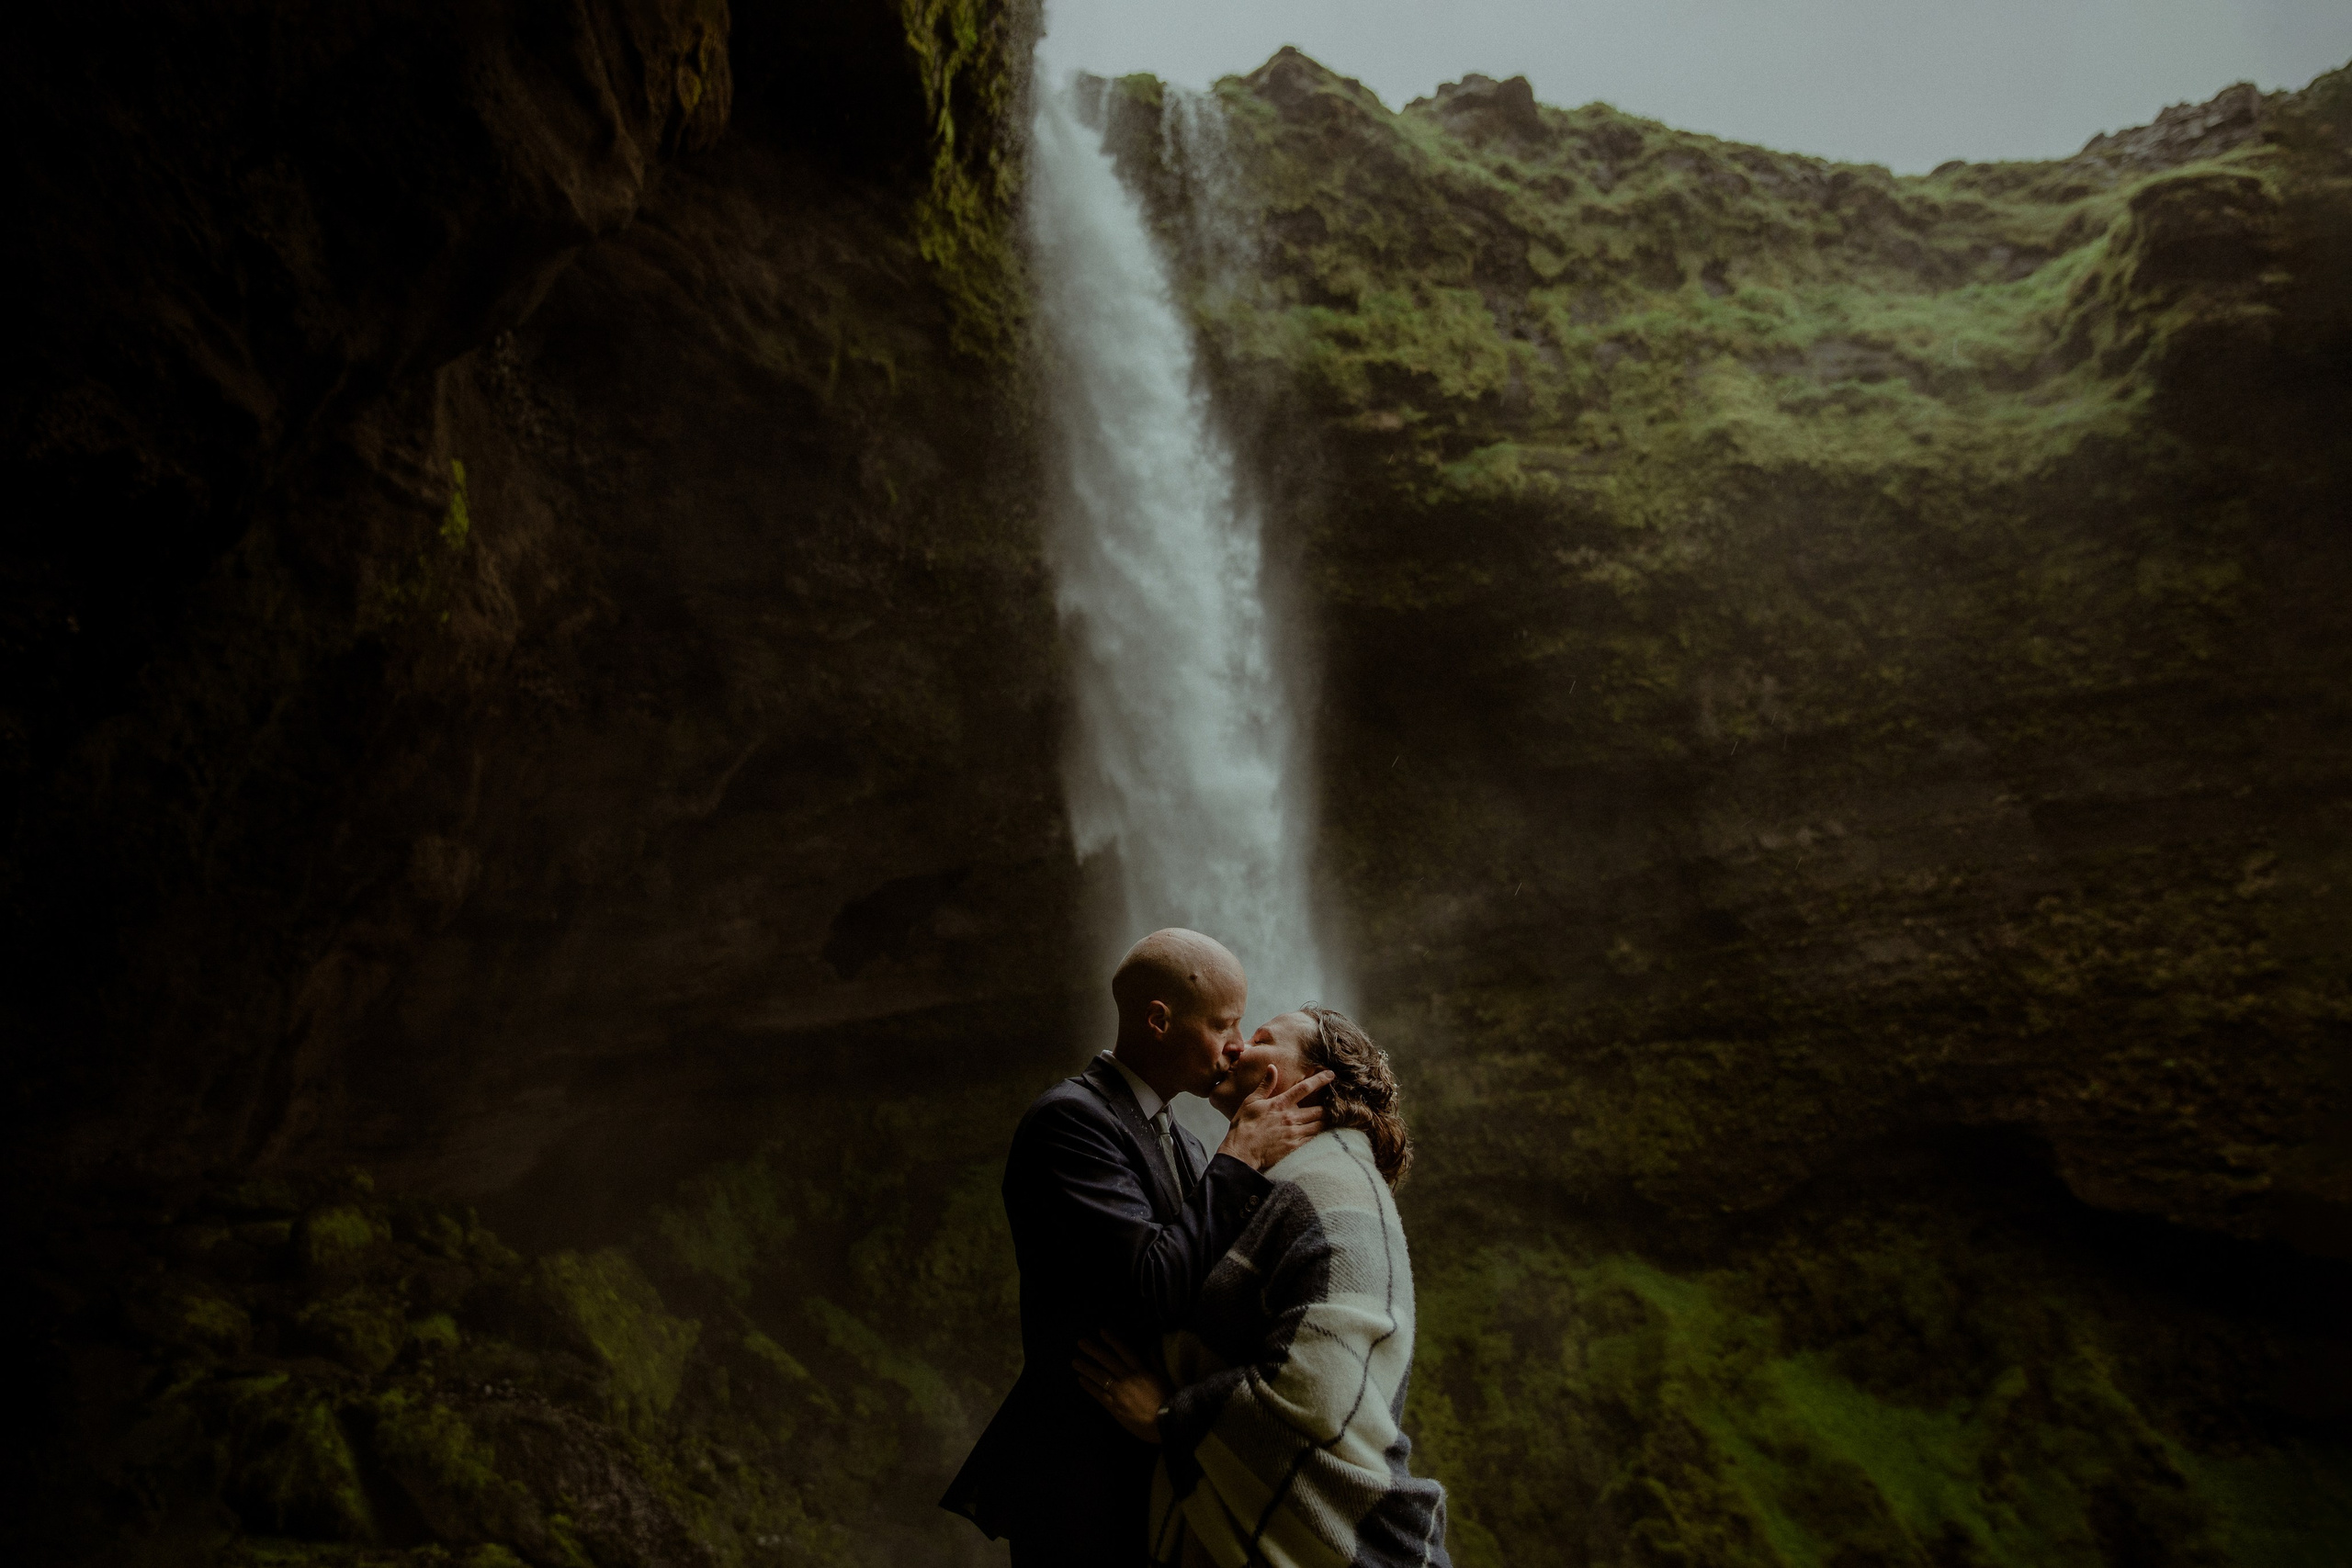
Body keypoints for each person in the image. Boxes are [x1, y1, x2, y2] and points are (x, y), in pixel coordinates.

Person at [942, 930, 1335, 1566]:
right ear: (1159, 1019)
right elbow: (1152, 1287)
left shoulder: (1186, 1143)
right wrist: (1241, 1153)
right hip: (1082, 1480)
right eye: (1224, 1023)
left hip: (1154, 1470)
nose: (1238, 1046)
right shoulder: (1069, 1121)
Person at [1074, 1005, 1452, 1568]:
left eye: (1260, 1039)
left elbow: (1322, 1395)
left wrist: (1170, 1419)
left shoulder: (1336, 1191)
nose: (1235, 1048)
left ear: (1298, 1082)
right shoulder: (1282, 1185)